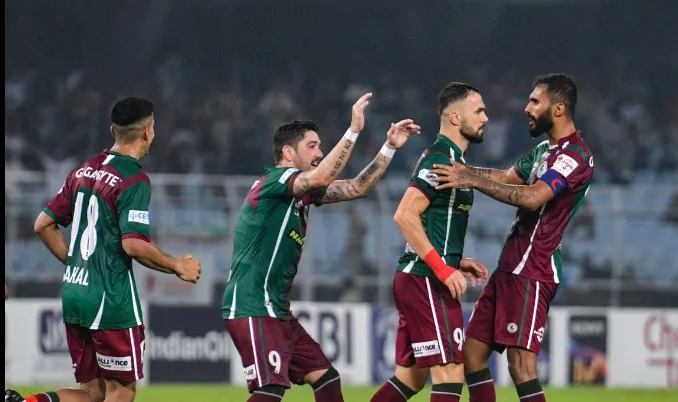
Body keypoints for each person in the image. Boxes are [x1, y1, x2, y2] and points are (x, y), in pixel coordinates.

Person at [222, 93, 421, 402]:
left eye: (319, 146)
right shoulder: (276, 181)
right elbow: (323, 175)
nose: (320, 152)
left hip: (276, 309)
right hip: (253, 304)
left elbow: (357, 187)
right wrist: (353, 130)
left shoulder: (302, 192)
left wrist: (389, 147)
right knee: (270, 389)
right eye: (312, 146)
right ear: (288, 152)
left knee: (327, 379)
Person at [5, 97, 202, 402]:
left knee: (93, 392)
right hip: (110, 299)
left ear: (113, 131)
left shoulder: (83, 170)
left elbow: (42, 224)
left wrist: (75, 263)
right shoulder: (134, 179)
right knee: (121, 392)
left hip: (75, 293)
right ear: (148, 131)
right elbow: (133, 244)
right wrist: (177, 266)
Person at [430, 74, 594, 402]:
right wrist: (461, 171)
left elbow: (533, 197)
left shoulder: (574, 155)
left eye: (535, 101)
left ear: (558, 108)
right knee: (472, 356)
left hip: (533, 269)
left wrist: (470, 180)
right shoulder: (544, 150)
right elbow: (505, 176)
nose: (527, 108)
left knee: (521, 367)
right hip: (510, 266)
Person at [370, 82, 489, 402]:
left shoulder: (454, 161)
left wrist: (455, 260)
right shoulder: (439, 159)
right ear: (455, 117)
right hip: (426, 279)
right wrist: (443, 268)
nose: (485, 117)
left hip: (422, 276)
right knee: (450, 372)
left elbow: (431, 221)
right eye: (478, 111)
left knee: (411, 378)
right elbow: (404, 215)